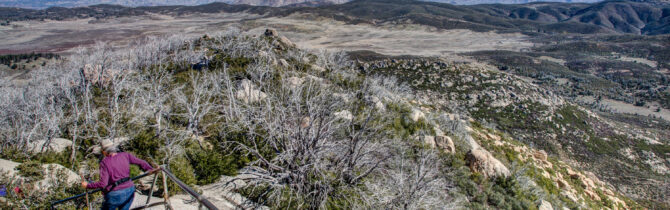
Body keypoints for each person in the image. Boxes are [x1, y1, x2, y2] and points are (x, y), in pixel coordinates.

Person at [81, 139, 158, 210]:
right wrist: (150, 169)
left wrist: (88, 185)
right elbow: (141, 162)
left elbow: (103, 183)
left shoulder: (104, 163)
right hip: (129, 190)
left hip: (115, 194)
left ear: (104, 152)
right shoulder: (125, 155)